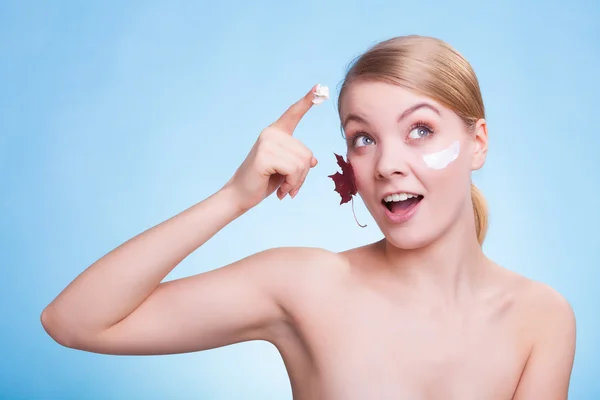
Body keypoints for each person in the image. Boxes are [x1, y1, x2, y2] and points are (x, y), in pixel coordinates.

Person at [40, 35, 576, 399]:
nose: (388, 164)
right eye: (363, 138)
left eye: (420, 130)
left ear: (476, 142)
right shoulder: (304, 284)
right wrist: (233, 197)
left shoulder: (542, 318)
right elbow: (73, 322)